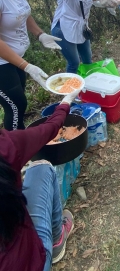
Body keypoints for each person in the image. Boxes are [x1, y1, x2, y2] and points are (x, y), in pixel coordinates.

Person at [0, 87, 80, 271]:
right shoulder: (5, 147)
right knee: (42, 167)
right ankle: (57, 240)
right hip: (32, 262)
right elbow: (49, 128)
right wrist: (66, 102)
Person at [0, 0, 62, 131]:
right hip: (2, 63)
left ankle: (18, 140)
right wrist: (28, 67)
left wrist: (40, 34)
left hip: (16, 58)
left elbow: (23, 13)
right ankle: (13, 153)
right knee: (15, 105)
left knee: (20, 102)